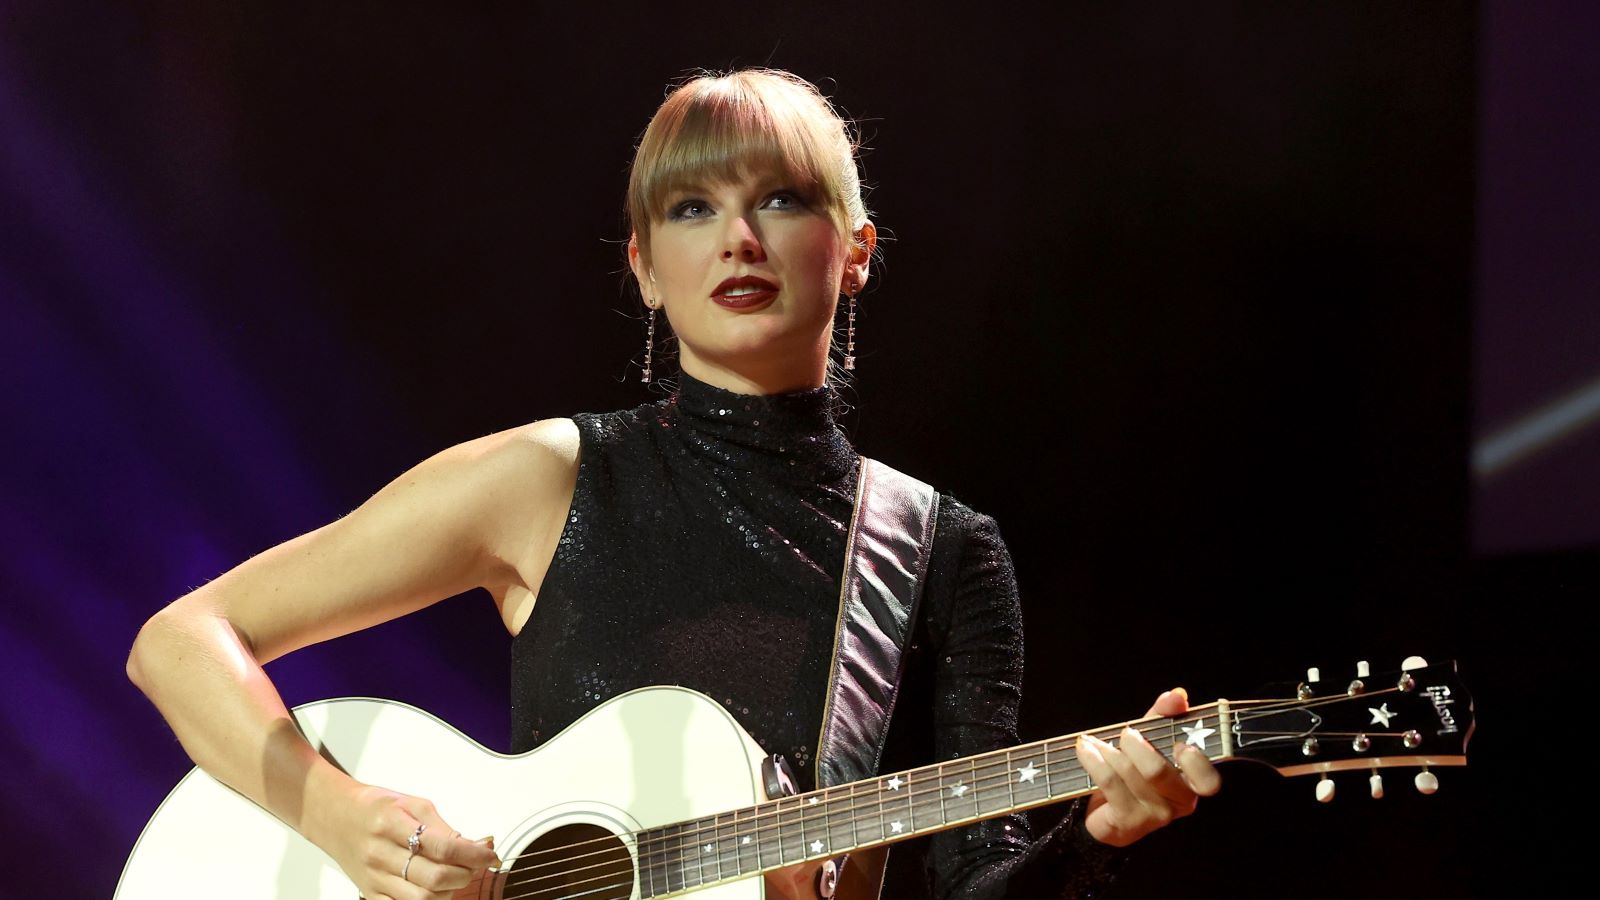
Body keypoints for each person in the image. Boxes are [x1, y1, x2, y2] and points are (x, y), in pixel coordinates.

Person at [128, 68, 1219, 900]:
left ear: (856, 251)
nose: (738, 238)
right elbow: (180, 641)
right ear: (644, 267)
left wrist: (1095, 837)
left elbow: (971, 879)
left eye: (782, 199)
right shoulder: (547, 479)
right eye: (691, 208)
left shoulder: (939, 549)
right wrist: (340, 817)